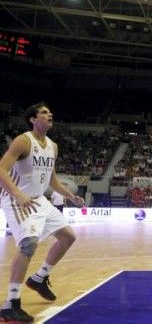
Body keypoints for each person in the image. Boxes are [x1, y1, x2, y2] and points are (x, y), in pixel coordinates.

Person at [0, 103, 85, 322]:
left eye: (50, 112)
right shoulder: (23, 140)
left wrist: (71, 196)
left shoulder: (53, 146)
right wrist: (18, 193)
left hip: (39, 200)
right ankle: (11, 302)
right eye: (45, 112)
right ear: (32, 119)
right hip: (18, 200)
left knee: (68, 237)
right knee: (28, 245)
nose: (50, 115)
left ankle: (39, 278)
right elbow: (1, 168)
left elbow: (52, 180)